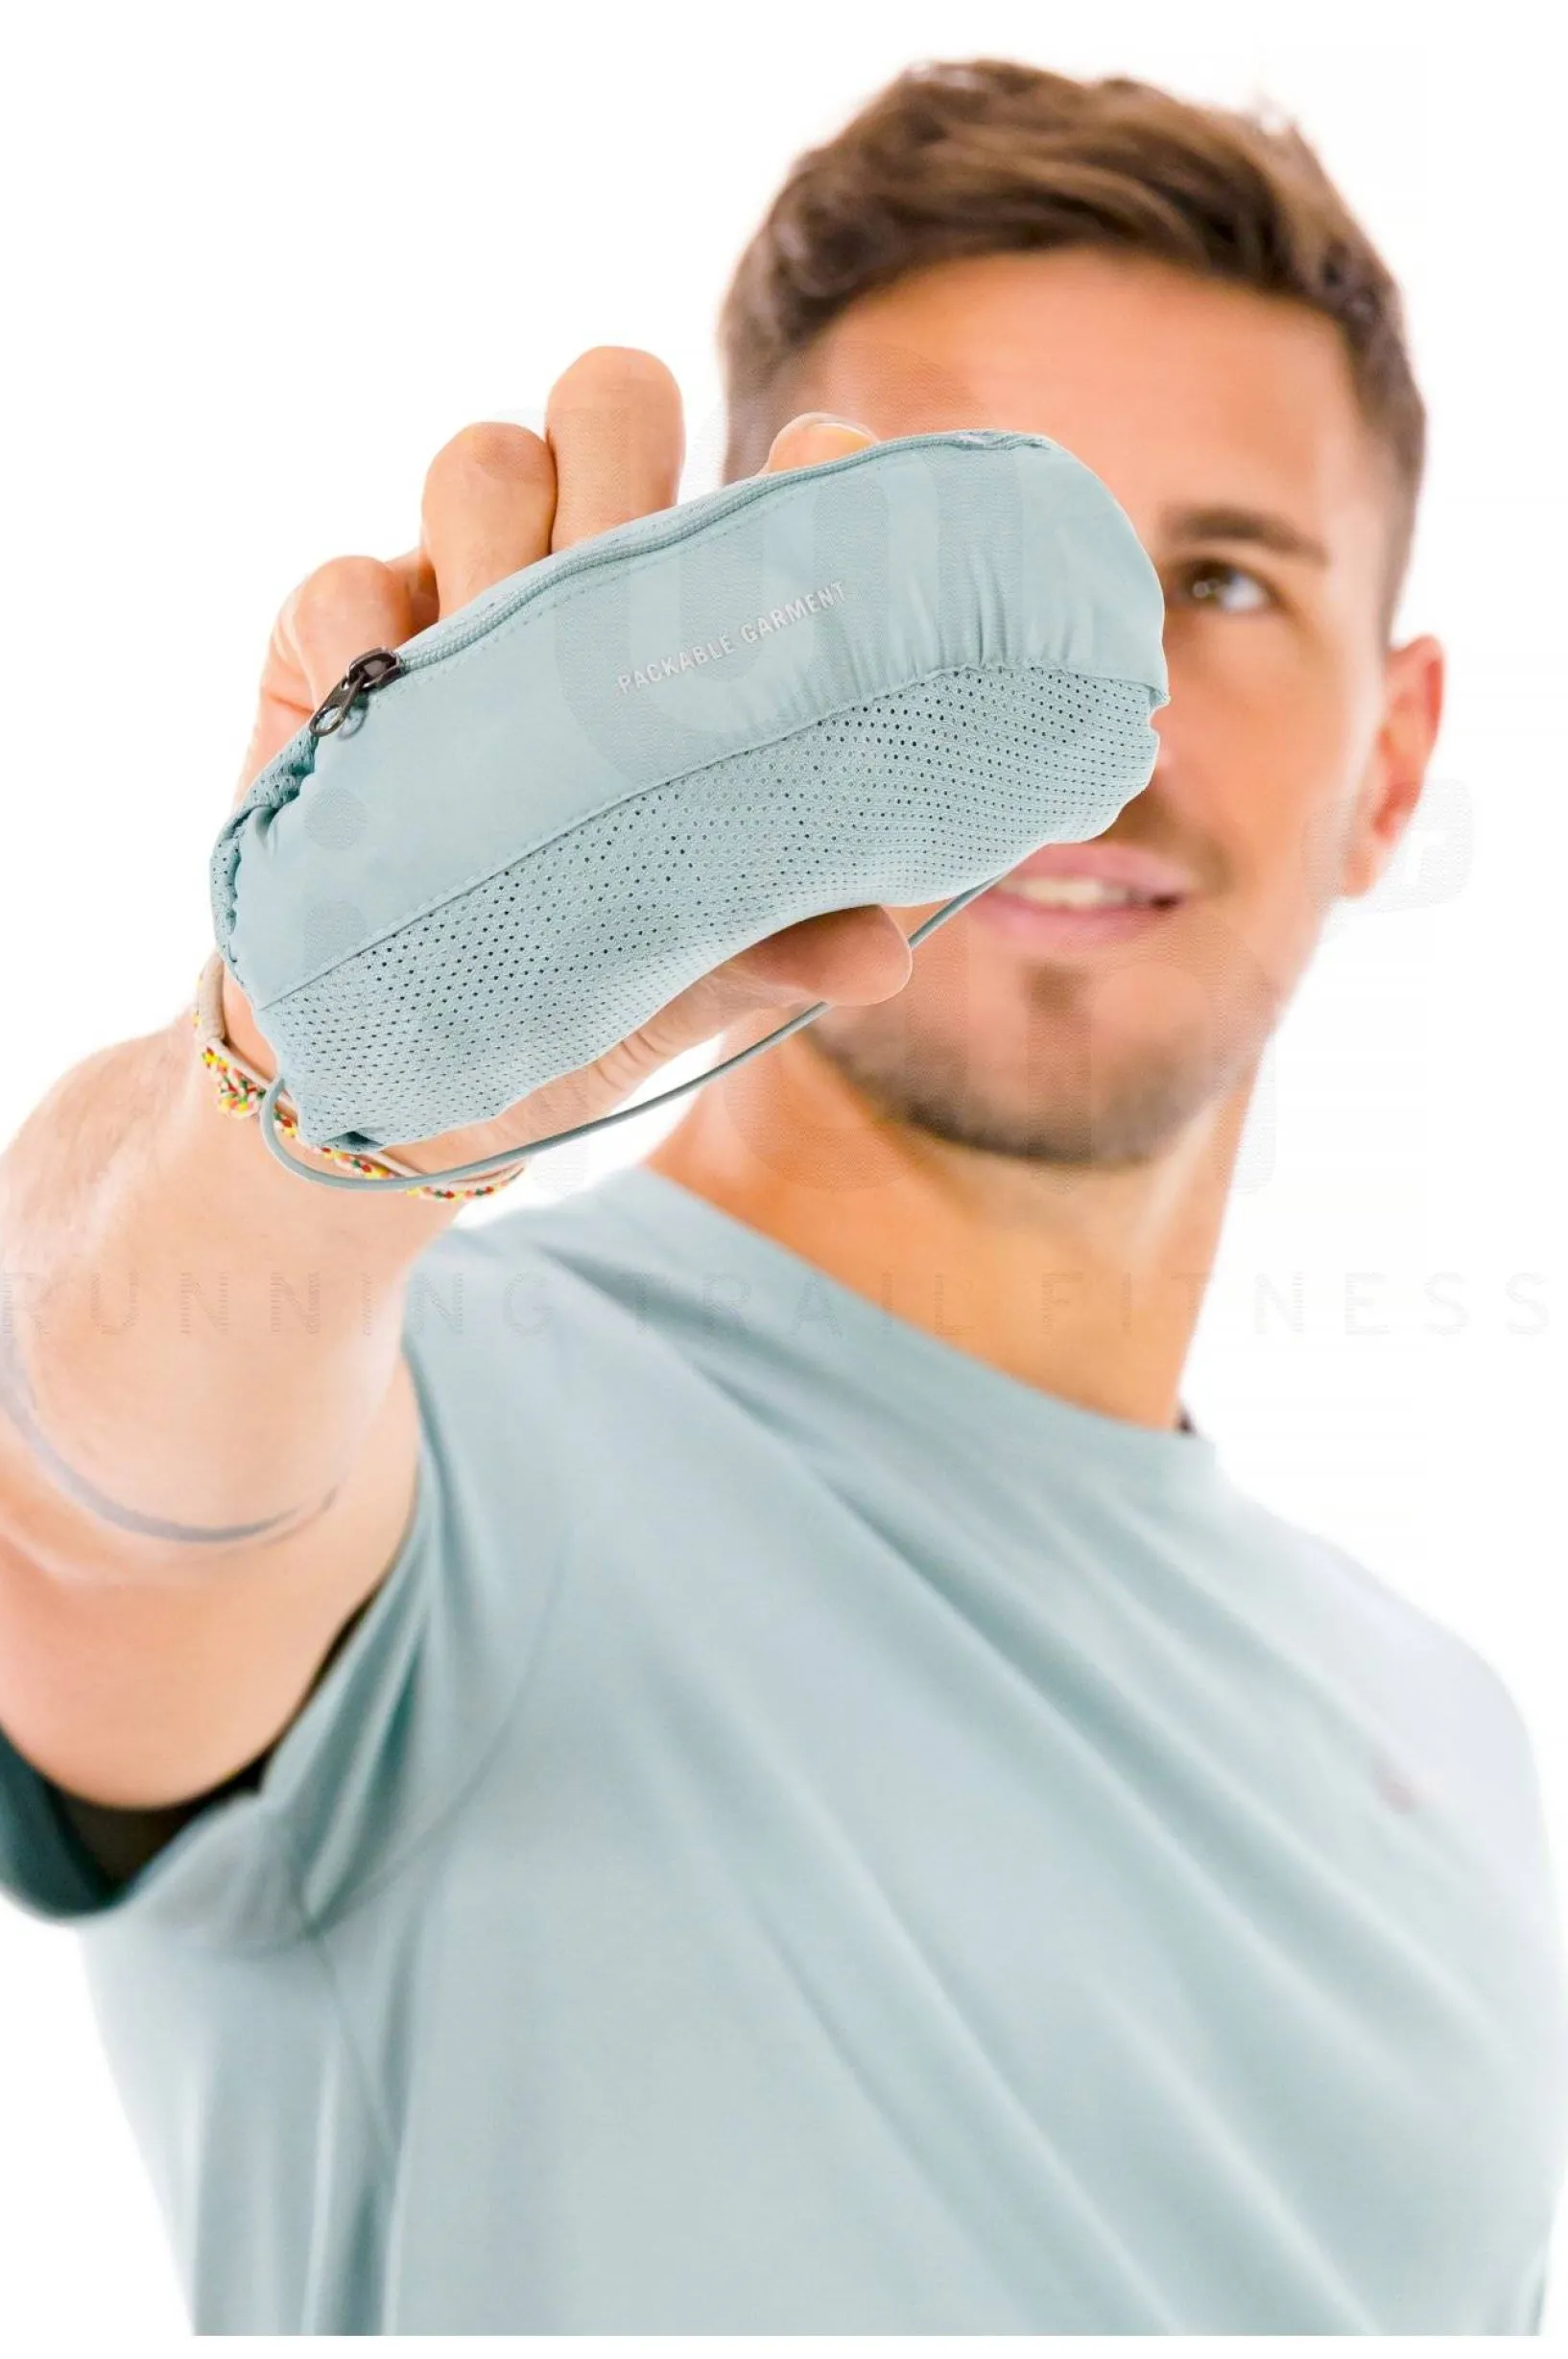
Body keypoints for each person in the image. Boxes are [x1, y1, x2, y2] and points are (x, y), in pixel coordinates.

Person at [0, 55, 1562, 2337]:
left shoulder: (1455, 1739)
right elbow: (82, 1513)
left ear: (1394, 758)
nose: (1091, 733)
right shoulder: (438, 1427)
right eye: (964, 578)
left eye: (1218, 581)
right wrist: (303, 1086)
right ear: (718, 636)